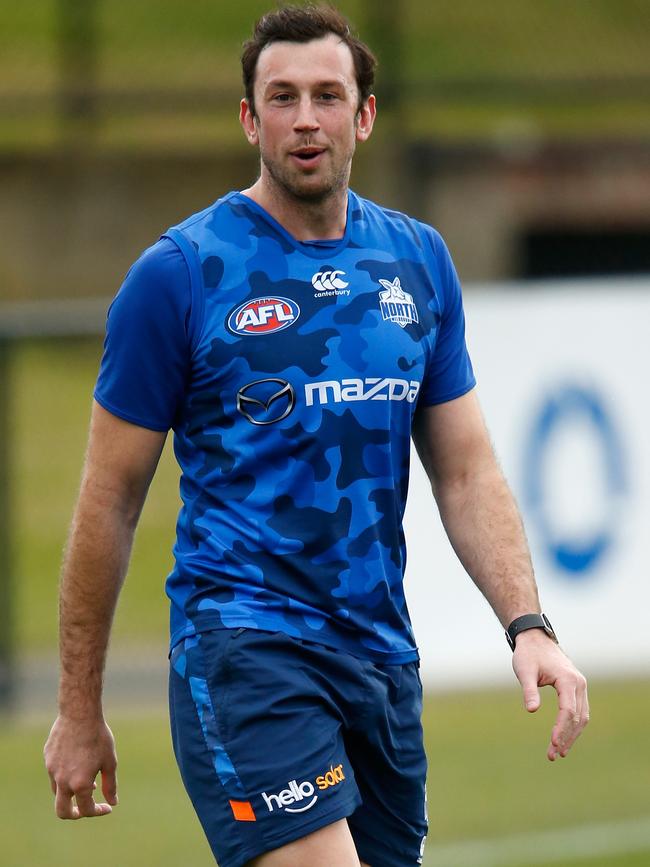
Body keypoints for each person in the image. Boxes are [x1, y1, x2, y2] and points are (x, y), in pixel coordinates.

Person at [44, 5, 589, 867]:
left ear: (364, 115)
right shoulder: (179, 274)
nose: (306, 118)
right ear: (248, 117)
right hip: (243, 646)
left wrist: (528, 622)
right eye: (283, 96)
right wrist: (80, 708)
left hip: (379, 660)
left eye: (328, 96)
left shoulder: (417, 261)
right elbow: (107, 500)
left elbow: (466, 472)